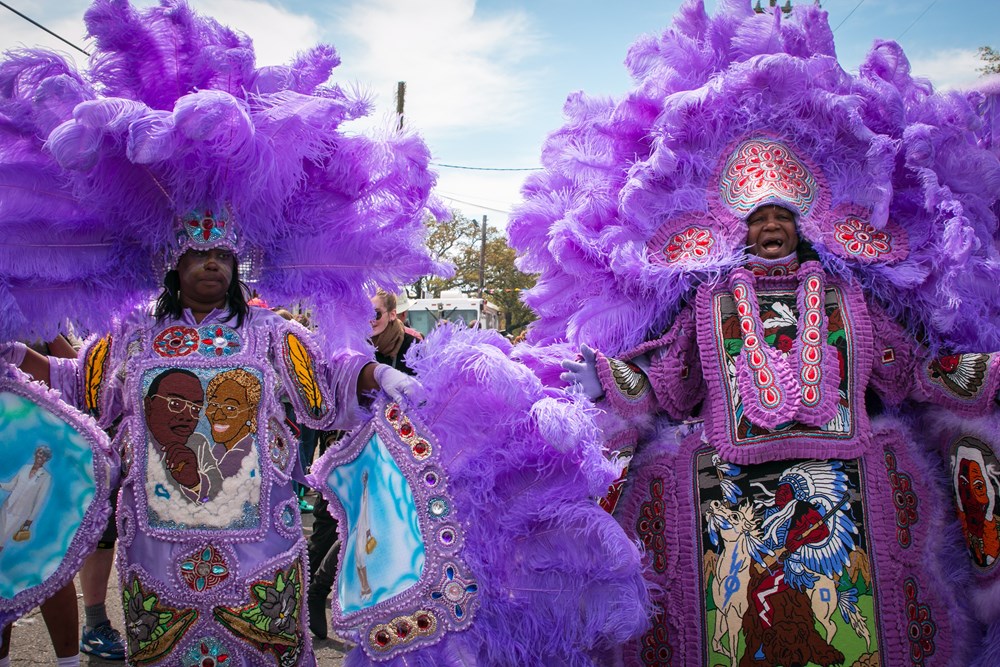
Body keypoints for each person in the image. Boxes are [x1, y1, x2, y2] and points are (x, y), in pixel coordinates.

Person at [370, 290, 419, 374]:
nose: (370, 320)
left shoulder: (414, 347)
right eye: (365, 313)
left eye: (376, 314)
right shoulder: (354, 347)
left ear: (392, 315)